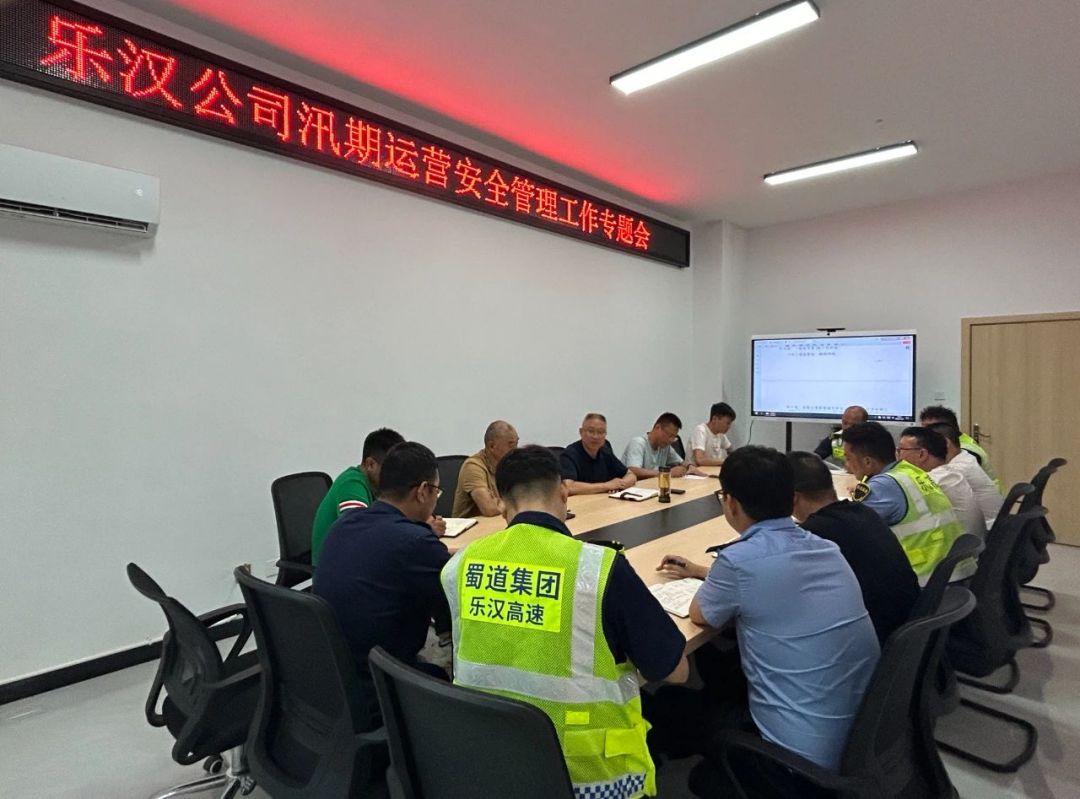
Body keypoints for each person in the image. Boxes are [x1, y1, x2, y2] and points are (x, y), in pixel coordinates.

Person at [442, 446, 689, 799]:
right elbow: (675, 671)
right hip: (590, 779)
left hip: (493, 763)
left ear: (501, 503)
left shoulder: (459, 565)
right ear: (563, 492)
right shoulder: (599, 569)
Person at [657, 447, 879, 793]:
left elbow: (701, 614)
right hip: (861, 735)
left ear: (730, 502)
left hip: (795, 763)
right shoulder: (826, 548)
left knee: (669, 702)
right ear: (791, 500)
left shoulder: (739, 560)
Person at [314, 442, 451, 713]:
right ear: (422, 491)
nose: (436, 499)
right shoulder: (416, 543)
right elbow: (459, 602)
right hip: (379, 687)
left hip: (329, 678)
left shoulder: (343, 525)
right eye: (436, 491)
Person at [788, 451, 920, 644]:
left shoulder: (814, 536)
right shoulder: (864, 512)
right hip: (906, 630)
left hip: (875, 638)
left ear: (792, 498)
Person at [841, 422, 963, 585]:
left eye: (848, 458)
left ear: (868, 462)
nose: (846, 465)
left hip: (924, 579)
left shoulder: (883, 486)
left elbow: (849, 532)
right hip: (950, 572)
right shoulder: (909, 472)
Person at [311, 427, 404, 566]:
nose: (397, 477)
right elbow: (359, 534)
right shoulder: (351, 484)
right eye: (392, 470)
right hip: (335, 568)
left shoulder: (378, 486)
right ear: (371, 464)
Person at [897, 426, 987, 544]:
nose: (897, 457)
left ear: (922, 454)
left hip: (955, 549)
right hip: (968, 547)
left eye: (900, 450)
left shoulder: (931, 481)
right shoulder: (949, 475)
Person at [927, 422, 1004, 526]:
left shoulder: (956, 470)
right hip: (991, 526)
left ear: (945, 442)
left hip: (987, 530)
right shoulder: (965, 457)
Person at [919, 405, 1003, 491]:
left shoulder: (967, 451)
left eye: (929, 429)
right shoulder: (958, 440)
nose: (922, 434)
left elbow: (948, 479)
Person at [452, 420, 519, 517]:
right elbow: (490, 509)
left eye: (517, 443)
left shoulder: (509, 465)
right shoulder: (473, 466)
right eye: (511, 444)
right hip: (474, 525)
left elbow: (525, 501)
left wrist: (501, 503)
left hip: (499, 522)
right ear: (492, 446)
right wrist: (510, 503)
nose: (516, 450)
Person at [560, 412, 637, 495]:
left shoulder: (605, 450)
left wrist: (621, 484)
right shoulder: (570, 454)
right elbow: (568, 487)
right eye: (591, 431)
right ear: (581, 432)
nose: (595, 436)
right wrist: (607, 486)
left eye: (600, 432)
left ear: (605, 434)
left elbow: (631, 475)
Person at [622, 413, 704, 479]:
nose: (671, 440)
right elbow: (633, 470)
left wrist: (690, 466)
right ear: (658, 428)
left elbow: (681, 462)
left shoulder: (665, 447)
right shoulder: (638, 443)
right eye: (669, 435)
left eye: (674, 437)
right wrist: (666, 473)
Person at [689, 402, 736, 467]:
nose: (729, 427)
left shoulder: (720, 434)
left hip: (712, 470)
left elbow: (732, 451)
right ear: (714, 419)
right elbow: (700, 460)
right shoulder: (701, 430)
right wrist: (726, 461)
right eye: (727, 423)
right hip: (696, 471)